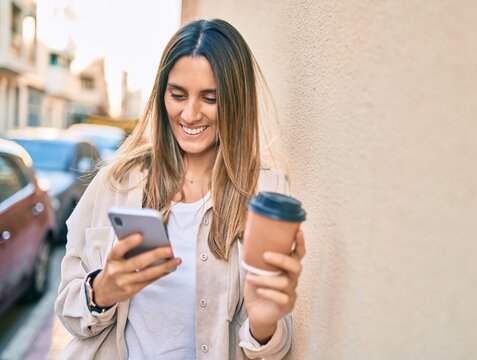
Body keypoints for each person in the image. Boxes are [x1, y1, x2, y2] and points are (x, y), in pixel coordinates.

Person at [55, 18, 306, 360]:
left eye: (210, 98)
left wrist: (263, 325)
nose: (190, 114)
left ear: (236, 101)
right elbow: (69, 311)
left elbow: (272, 346)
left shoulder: (265, 194)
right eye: (178, 95)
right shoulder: (117, 182)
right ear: (162, 97)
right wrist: (101, 291)